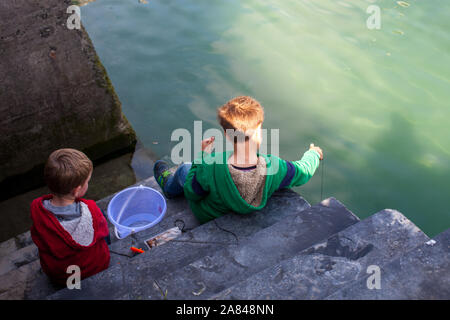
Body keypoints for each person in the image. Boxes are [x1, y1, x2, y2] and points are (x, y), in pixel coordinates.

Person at [154, 96, 323, 223]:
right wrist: (313, 153)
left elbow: (192, 193)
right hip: (244, 210)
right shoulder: (274, 166)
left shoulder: (212, 165)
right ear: (259, 133)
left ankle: (169, 187)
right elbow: (303, 171)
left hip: (211, 215)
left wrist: (203, 157)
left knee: (185, 169)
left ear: (228, 135)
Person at [30, 148, 110, 286]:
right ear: (77, 190)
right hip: (95, 267)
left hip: (61, 276)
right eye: (87, 181)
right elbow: (104, 232)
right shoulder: (90, 210)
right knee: (101, 218)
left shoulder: (37, 209)